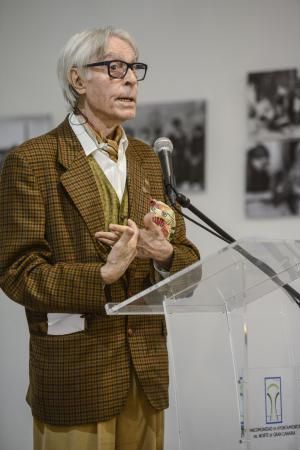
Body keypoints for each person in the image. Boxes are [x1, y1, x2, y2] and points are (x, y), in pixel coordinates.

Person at [0, 27, 200, 450]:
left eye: (134, 69)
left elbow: (185, 257)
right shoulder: (31, 161)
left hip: (145, 373)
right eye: (115, 67)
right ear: (77, 80)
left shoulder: (149, 158)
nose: (130, 79)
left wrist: (164, 254)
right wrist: (102, 275)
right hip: (75, 376)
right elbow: (18, 273)